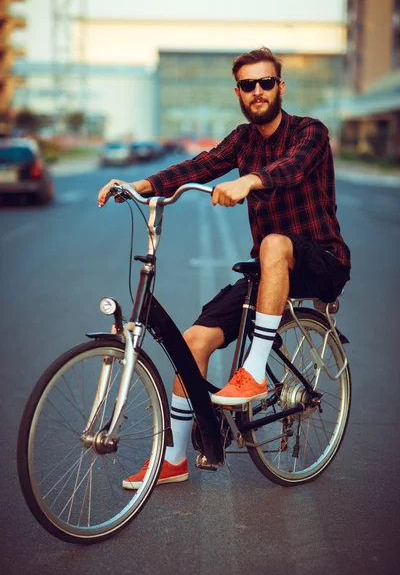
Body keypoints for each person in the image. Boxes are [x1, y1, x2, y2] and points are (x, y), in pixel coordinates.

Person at [98, 47, 351, 489]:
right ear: (238, 91)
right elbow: (201, 164)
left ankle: (251, 373)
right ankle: (173, 459)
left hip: (322, 260)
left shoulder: (310, 131)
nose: (258, 91)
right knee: (193, 341)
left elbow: (291, 169)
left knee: (274, 243)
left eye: (266, 82)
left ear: (280, 87)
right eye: (248, 85)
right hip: (268, 272)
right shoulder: (242, 139)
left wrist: (249, 180)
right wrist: (139, 185)